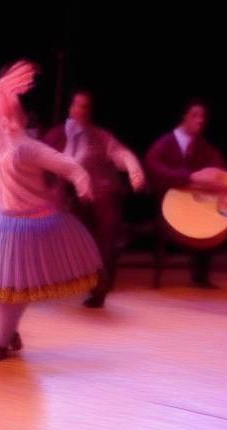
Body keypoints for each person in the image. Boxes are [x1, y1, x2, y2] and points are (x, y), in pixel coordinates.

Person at [0, 61, 102, 361]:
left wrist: (83, 180)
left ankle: (1, 340)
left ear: (19, 115)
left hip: (29, 224)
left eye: (4, 108)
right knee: (7, 286)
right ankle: (7, 333)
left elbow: (67, 164)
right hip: (4, 222)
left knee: (14, 285)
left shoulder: (25, 146)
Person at [44, 90, 145, 307]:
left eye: (86, 106)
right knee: (76, 242)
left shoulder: (100, 136)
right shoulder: (57, 135)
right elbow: (41, 159)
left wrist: (133, 168)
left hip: (102, 195)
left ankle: (100, 289)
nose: (81, 110)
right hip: (70, 200)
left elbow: (121, 154)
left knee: (103, 241)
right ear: (70, 108)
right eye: (77, 105)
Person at [145, 99, 225, 287]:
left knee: (215, 219)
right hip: (170, 202)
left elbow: (217, 164)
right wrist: (189, 177)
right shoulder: (166, 142)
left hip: (193, 202)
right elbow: (153, 166)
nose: (200, 120)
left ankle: (200, 274)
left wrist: (215, 174)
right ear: (185, 117)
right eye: (195, 115)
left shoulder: (202, 146)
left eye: (203, 117)